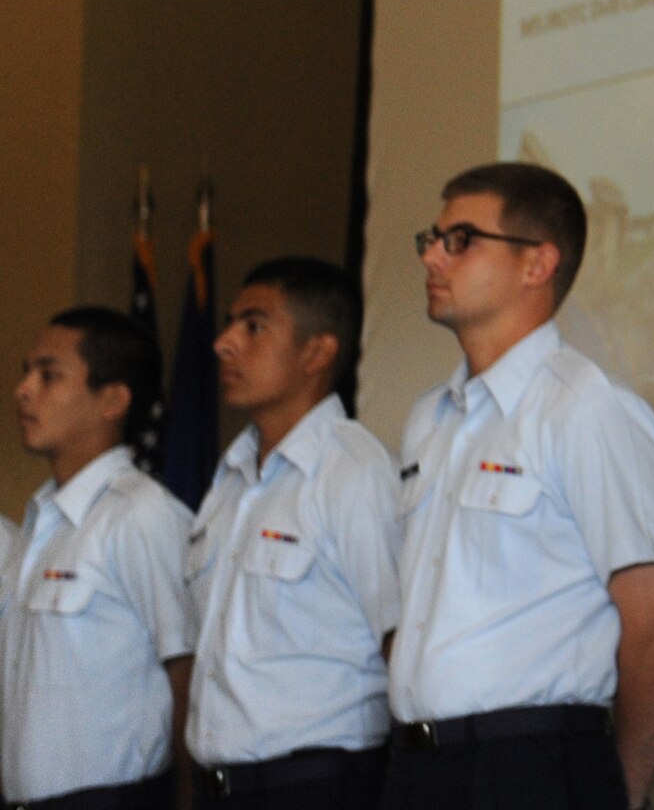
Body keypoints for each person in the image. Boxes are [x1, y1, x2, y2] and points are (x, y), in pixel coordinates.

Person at [385, 162, 654, 810]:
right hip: (419, 765)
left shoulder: (587, 410)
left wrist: (620, 793)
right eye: (431, 239)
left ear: (537, 264)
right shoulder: (427, 420)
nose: (434, 257)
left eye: (461, 240)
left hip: (530, 762)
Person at [185, 257, 399, 808]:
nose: (225, 343)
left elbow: (400, 639)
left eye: (253, 326)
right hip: (219, 785)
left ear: (317, 352)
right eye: (230, 323)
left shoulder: (352, 469)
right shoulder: (232, 476)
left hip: (316, 785)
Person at [3, 306, 194, 810]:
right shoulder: (40, 522)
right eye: (26, 372)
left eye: (49, 376)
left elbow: (187, 670)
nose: (24, 389)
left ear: (112, 400)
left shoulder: (140, 515)